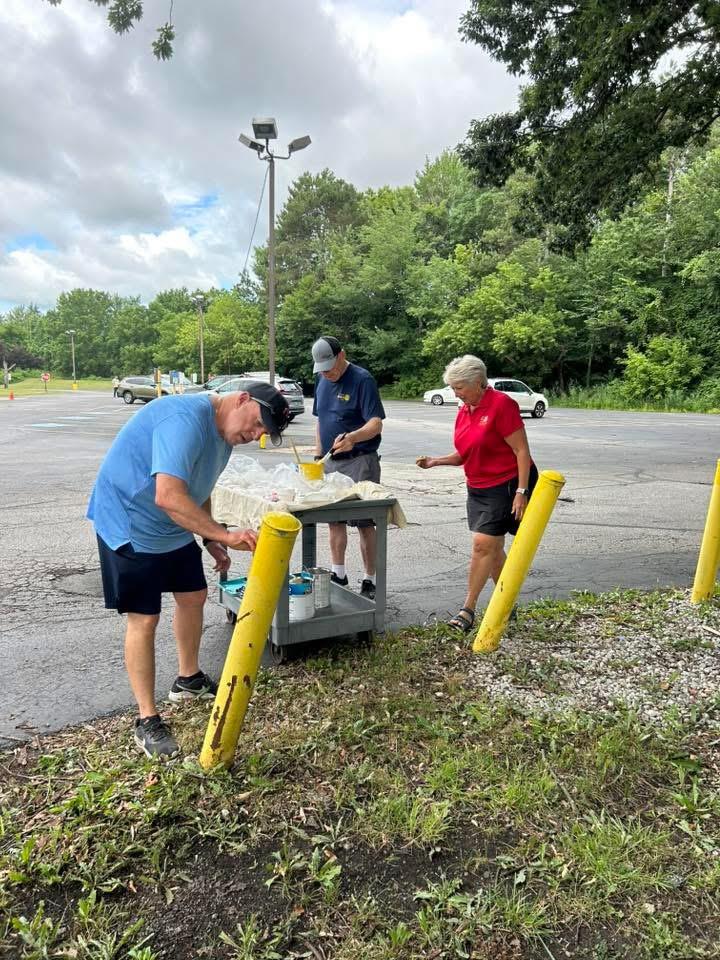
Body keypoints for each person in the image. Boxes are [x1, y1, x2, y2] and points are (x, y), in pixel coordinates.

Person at [87, 383, 290, 758]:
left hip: (172, 523)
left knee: (194, 595)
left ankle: (188, 679)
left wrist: (210, 537)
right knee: (144, 618)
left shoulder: (225, 435)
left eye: (264, 432)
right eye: (258, 423)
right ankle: (146, 719)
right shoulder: (184, 420)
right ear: (242, 399)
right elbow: (168, 495)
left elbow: (200, 486)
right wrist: (225, 534)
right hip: (130, 522)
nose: (256, 434)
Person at [416, 355, 538, 633]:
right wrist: (435, 461)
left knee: (483, 545)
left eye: (459, 387)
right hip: (478, 486)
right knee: (492, 549)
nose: (455, 393)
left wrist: (521, 491)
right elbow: (465, 454)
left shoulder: (501, 405)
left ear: (479, 382)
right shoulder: (464, 410)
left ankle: (467, 610)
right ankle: (507, 603)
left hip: (506, 483)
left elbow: (521, 450)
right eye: (453, 388)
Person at [311, 336, 385, 600]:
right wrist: (318, 454)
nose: (327, 373)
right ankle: (338, 573)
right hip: (331, 461)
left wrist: (353, 437)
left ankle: (370, 579)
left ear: (341, 355)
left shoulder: (362, 380)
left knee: (365, 522)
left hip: (360, 460)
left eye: (330, 367)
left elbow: (375, 424)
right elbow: (320, 420)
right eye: (322, 369)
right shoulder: (322, 380)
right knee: (334, 520)